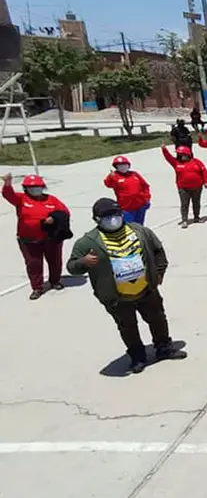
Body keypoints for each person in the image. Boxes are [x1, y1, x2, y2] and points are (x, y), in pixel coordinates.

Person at [66, 198, 185, 373]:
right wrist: (84, 262)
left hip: (146, 290)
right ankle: (137, 356)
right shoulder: (88, 242)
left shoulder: (140, 231)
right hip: (117, 297)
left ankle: (164, 348)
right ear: (96, 219)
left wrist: (159, 272)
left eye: (115, 214)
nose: (112, 219)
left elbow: (158, 250)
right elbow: (72, 267)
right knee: (127, 327)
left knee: (158, 319)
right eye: (106, 216)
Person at [3, 173, 70, 300]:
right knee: (33, 264)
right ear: (26, 188)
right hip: (29, 240)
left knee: (55, 261)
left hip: (50, 238)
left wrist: (53, 218)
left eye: (38, 186)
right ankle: (37, 287)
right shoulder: (21, 199)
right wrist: (7, 183)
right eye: (31, 187)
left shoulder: (52, 200)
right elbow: (8, 195)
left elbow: (64, 212)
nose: (35, 189)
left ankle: (55, 281)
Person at [161, 144, 207, 228]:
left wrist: (206, 181)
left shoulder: (196, 161)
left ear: (187, 154)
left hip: (197, 187)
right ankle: (184, 220)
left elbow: (204, 171)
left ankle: (197, 217)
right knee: (184, 204)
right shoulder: (176, 162)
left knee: (196, 203)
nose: (179, 156)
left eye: (181, 154)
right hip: (183, 188)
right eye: (178, 155)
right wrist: (164, 150)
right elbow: (168, 157)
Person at [103, 156, 151, 225]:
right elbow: (108, 184)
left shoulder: (134, 174)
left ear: (128, 165)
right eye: (120, 166)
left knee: (140, 225)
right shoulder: (115, 176)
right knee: (129, 226)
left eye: (124, 165)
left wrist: (147, 199)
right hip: (126, 208)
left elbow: (145, 186)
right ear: (116, 167)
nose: (123, 167)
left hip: (140, 206)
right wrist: (110, 177)